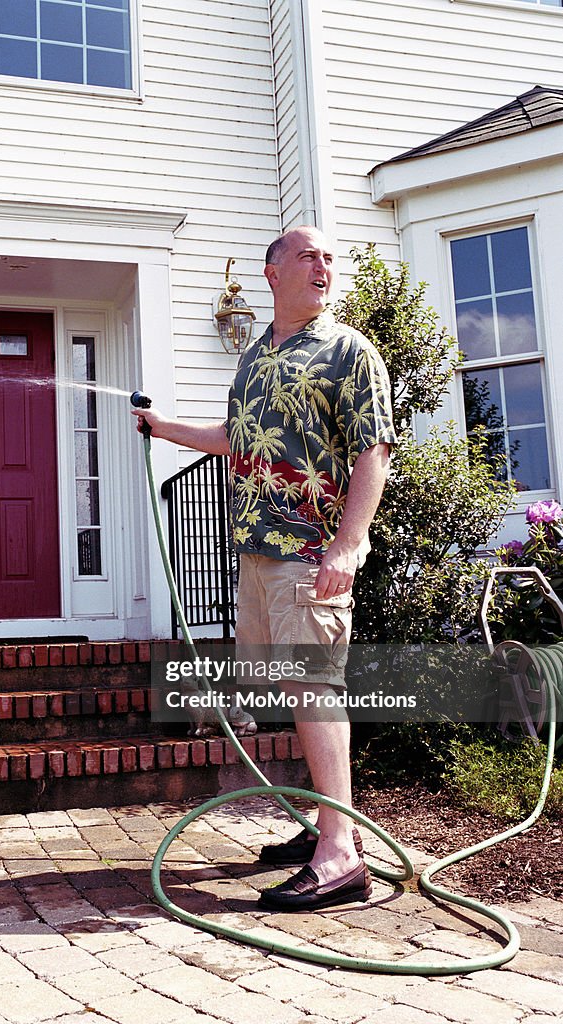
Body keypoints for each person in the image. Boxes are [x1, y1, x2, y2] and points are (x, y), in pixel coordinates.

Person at [131, 225, 396, 911]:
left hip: (311, 550)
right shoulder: (254, 356)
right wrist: (165, 429)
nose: (322, 266)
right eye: (307, 255)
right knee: (290, 688)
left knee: (316, 688)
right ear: (272, 272)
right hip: (258, 551)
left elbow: (375, 450)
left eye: (328, 258)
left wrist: (347, 545)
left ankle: (340, 856)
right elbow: (234, 438)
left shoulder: (347, 350)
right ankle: (323, 831)